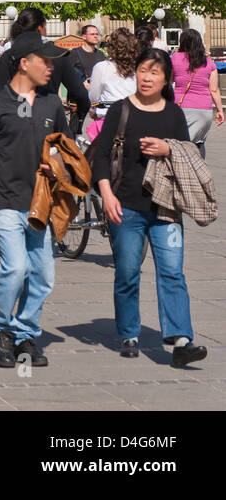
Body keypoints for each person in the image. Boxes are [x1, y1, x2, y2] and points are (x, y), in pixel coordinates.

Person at [0, 32, 71, 369]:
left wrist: (57, 168)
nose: (51, 68)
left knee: (43, 275)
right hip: (7, 200)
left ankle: (26, 334)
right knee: (16, 267)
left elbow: (64, 150)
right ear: (24, 63)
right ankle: (0, 329)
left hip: (41, 203)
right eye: (45, 61)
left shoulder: (52, 103)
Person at [91, 49, 205, 366]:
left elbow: (188, 154)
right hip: (125, 206)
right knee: (127, 272)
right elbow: (100, 156)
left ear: (166, 78)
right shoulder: (120, 111)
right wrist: (106, 194)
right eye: (143, 70)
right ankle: (129, 334)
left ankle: (182, 340)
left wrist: (167, 147)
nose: (147, 77)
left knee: (172, 272)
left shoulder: (173, 114)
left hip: (166, 207)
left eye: (155, 72)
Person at [170, 29, 223, 158]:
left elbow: (168, 81)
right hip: (203, 110)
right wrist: (220, 110)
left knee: (179, 144)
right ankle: (199, 172)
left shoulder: (175, 58)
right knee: (199, 143)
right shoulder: (208, 62)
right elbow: (214, 90)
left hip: (180, 107)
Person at [88, 28, 141, 133]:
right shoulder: (139, 68)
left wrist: (93, 110)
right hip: (134, 118)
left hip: (108, 118)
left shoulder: (102, 67)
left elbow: (94, 95)